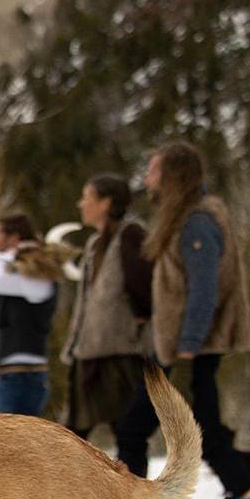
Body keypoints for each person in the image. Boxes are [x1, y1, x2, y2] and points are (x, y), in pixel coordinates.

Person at [122, 140, 250, 499]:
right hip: (178, 347)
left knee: (205, 433)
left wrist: (189, 343)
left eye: (154, 171)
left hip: (192, 350)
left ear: (173, 175)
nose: (148, 178)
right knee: (135, 427)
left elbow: (205, 287)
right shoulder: (187, 218)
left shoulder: (198, 222)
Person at [60, 174, 156, 473]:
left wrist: (140, 320)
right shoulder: (94, 243)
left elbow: (143, 285)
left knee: (128, 434)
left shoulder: (130, 234)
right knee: (70, 437)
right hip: (89, 352)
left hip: (120, 353)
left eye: (87, 197)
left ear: (106, 203)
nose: (81, 204)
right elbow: (86, 301)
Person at [0, 212, 68, 415]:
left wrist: (7, 254)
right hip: (2, 373)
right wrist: (3, 253)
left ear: (13, 238)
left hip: (22, 375)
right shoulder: (10, 268)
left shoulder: (36, 274)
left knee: (16, 445)